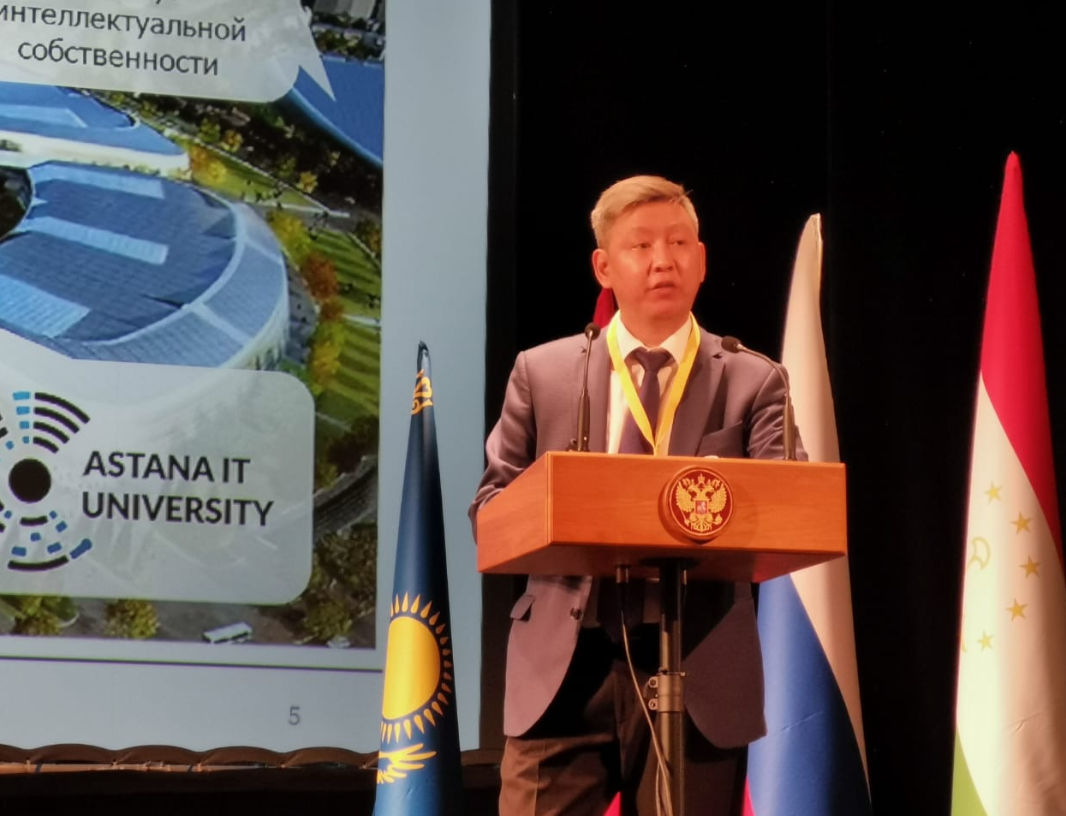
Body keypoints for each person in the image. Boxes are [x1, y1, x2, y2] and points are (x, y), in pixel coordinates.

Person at [469, 175, 800, 816]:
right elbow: (490, 512)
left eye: (678, 243)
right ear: (604, 267)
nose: (662, 261)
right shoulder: (544, 373)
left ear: (701, 260)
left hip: (696, 658)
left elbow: (790, 510)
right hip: (564, 666)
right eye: (641, 245)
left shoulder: (756, 379)